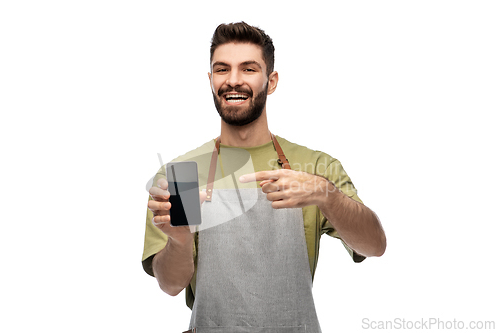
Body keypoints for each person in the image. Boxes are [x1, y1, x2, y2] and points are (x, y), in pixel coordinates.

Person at [142, 22, 386, 333]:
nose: (233, 81)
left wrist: (328, 195)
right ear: (210, 79)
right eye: (222, 69)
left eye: (248, 69)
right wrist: (178, 241)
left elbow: (375, 245)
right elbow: (171, 285)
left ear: (271, 81)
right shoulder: (182, 174)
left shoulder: (315, 166)